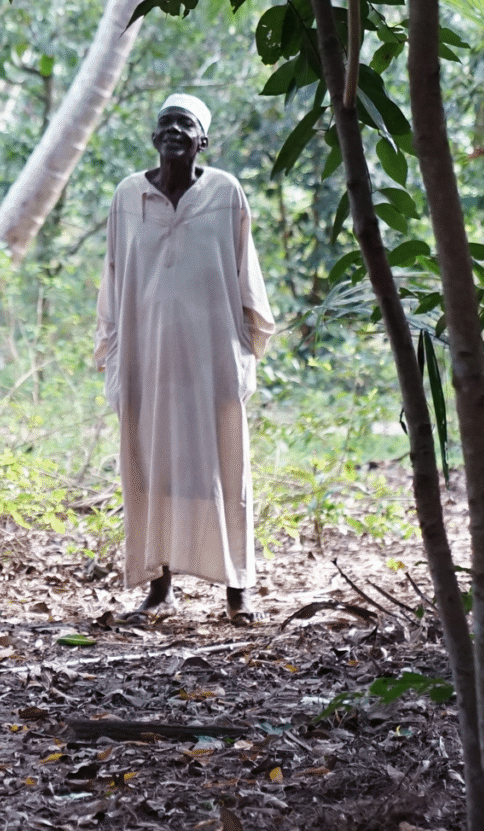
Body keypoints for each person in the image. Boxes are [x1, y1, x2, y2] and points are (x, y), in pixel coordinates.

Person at [93, 93, 276, 619]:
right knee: (153, 468)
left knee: (224, 466)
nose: (174, 130)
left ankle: (237, 590)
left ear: (203, 141)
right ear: (155, 138)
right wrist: (111, 342)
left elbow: (246, 271)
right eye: (165, 123)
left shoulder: (225, 193)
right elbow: (112, 272)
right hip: (147, 358)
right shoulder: (129, 196)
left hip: (211, 356)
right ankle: (160, 588)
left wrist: (245, 344)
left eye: (186, 124)